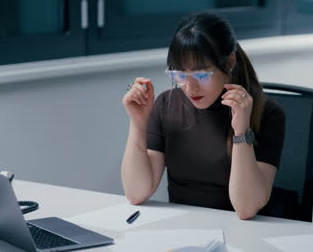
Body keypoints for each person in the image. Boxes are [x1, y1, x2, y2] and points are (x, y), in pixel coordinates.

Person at [121, 12, 285, 220]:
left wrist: (241, 131)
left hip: (243, 235)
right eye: (180, 75)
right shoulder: (166, 105)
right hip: (184, 232)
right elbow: (136, 193)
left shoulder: (267, 113)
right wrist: (138, 121)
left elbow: (246, 209)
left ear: (229, 62)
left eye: (201, 75)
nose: (190, 87)